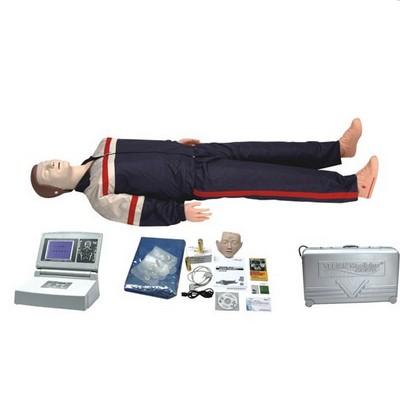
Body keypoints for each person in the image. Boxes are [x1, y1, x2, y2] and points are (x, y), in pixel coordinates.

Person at [30, 118, 378, 227]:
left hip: (194, 153)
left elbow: (146, 144)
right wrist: (180, 212)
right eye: (46, 174)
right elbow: (144, 212)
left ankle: (337, 150)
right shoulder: (99, 197)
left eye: (45, 162)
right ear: (56, 191)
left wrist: (174, 144)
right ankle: (353, 187)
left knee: (267, 150)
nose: (50, 165)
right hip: (196, 181)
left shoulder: (103, 145)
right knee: (271, 179)